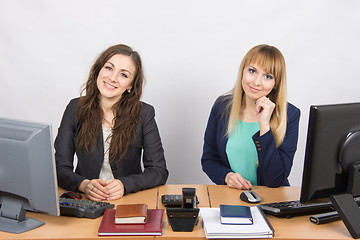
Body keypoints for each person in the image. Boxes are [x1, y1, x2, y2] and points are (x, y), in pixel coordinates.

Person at [55, 44, 168, 201]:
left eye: (124, 75)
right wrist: (84, 185)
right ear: (98, 70)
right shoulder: (75, 108)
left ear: (130, 85)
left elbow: (158, 171)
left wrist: (125, 184)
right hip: (85, 200)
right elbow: (59, 168)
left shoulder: (144, 113)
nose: (113, 78)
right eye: (109, 68)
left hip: (126, 200)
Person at [201, 44, 300, 190]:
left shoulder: (289, 114)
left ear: (276, 83)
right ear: (242, 71)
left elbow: (275, 180)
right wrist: (226, 176)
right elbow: (209, 159)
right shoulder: (222, 106)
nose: (257, 82)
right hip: (233, 196)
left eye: (268, 76)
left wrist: (264, 126)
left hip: (272, 201)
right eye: (252, 71)